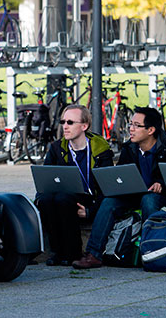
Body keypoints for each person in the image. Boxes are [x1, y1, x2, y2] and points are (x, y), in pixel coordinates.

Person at [72, 106, 166, 269]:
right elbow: (121, 175)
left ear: (151, 130)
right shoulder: (129, 149)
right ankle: (93, 254)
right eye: (131, 124)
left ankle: (150, 251)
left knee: (148, 200)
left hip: (158, 198)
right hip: (133, 194)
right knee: (109, 202)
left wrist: (162, 184)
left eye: (137, 125)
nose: (131, 129)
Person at [36, 104, 114, 266]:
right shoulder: (57, 148)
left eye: (70, 122)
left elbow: (107, 188)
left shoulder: (100, 150)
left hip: (90, 198)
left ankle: (72, 252)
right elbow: (45, 179)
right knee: (46, 199)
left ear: (84, 126)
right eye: (63, 122)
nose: (65, 126)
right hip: (64, 194)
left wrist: (90, 211)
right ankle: (57, 252)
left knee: (63, 199)